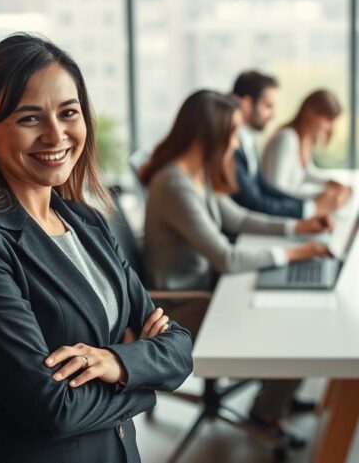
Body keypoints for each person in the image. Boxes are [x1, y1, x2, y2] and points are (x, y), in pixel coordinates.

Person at [0, 34, 193, 463]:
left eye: (69, 113)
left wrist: (115, 362)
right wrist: (143, 378)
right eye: (29, 119)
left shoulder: (88, 221)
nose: (56, 135)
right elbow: (52, 409)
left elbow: (178, 347)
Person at [140, 89, 332, 447]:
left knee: (294, 304)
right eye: (231, 134)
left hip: (207, 289)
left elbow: (238, 216)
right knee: (299, 323)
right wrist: (293, 253)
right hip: (183, 306)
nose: (235, 143)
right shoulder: (175, 183)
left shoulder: (197, 174)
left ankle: (278, 396)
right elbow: (226, 258)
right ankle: (268, 409)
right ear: (209, 135)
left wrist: (295, 228)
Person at [231, 70, 348, 218]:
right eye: (268, 106)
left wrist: (323, 193)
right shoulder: (236, 145)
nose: (274, 114)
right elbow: (258, 198)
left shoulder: (248, 140)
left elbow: (265, 188)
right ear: (247, 104)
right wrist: (314, 204)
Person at [260, 89, 351, 200]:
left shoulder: (303, 140)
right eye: (327, 119)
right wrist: (320, 196)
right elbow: (277, 190)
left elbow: (306, 173)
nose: (330, 128)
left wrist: (329, 183)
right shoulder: (286, 139)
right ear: (310, 112)